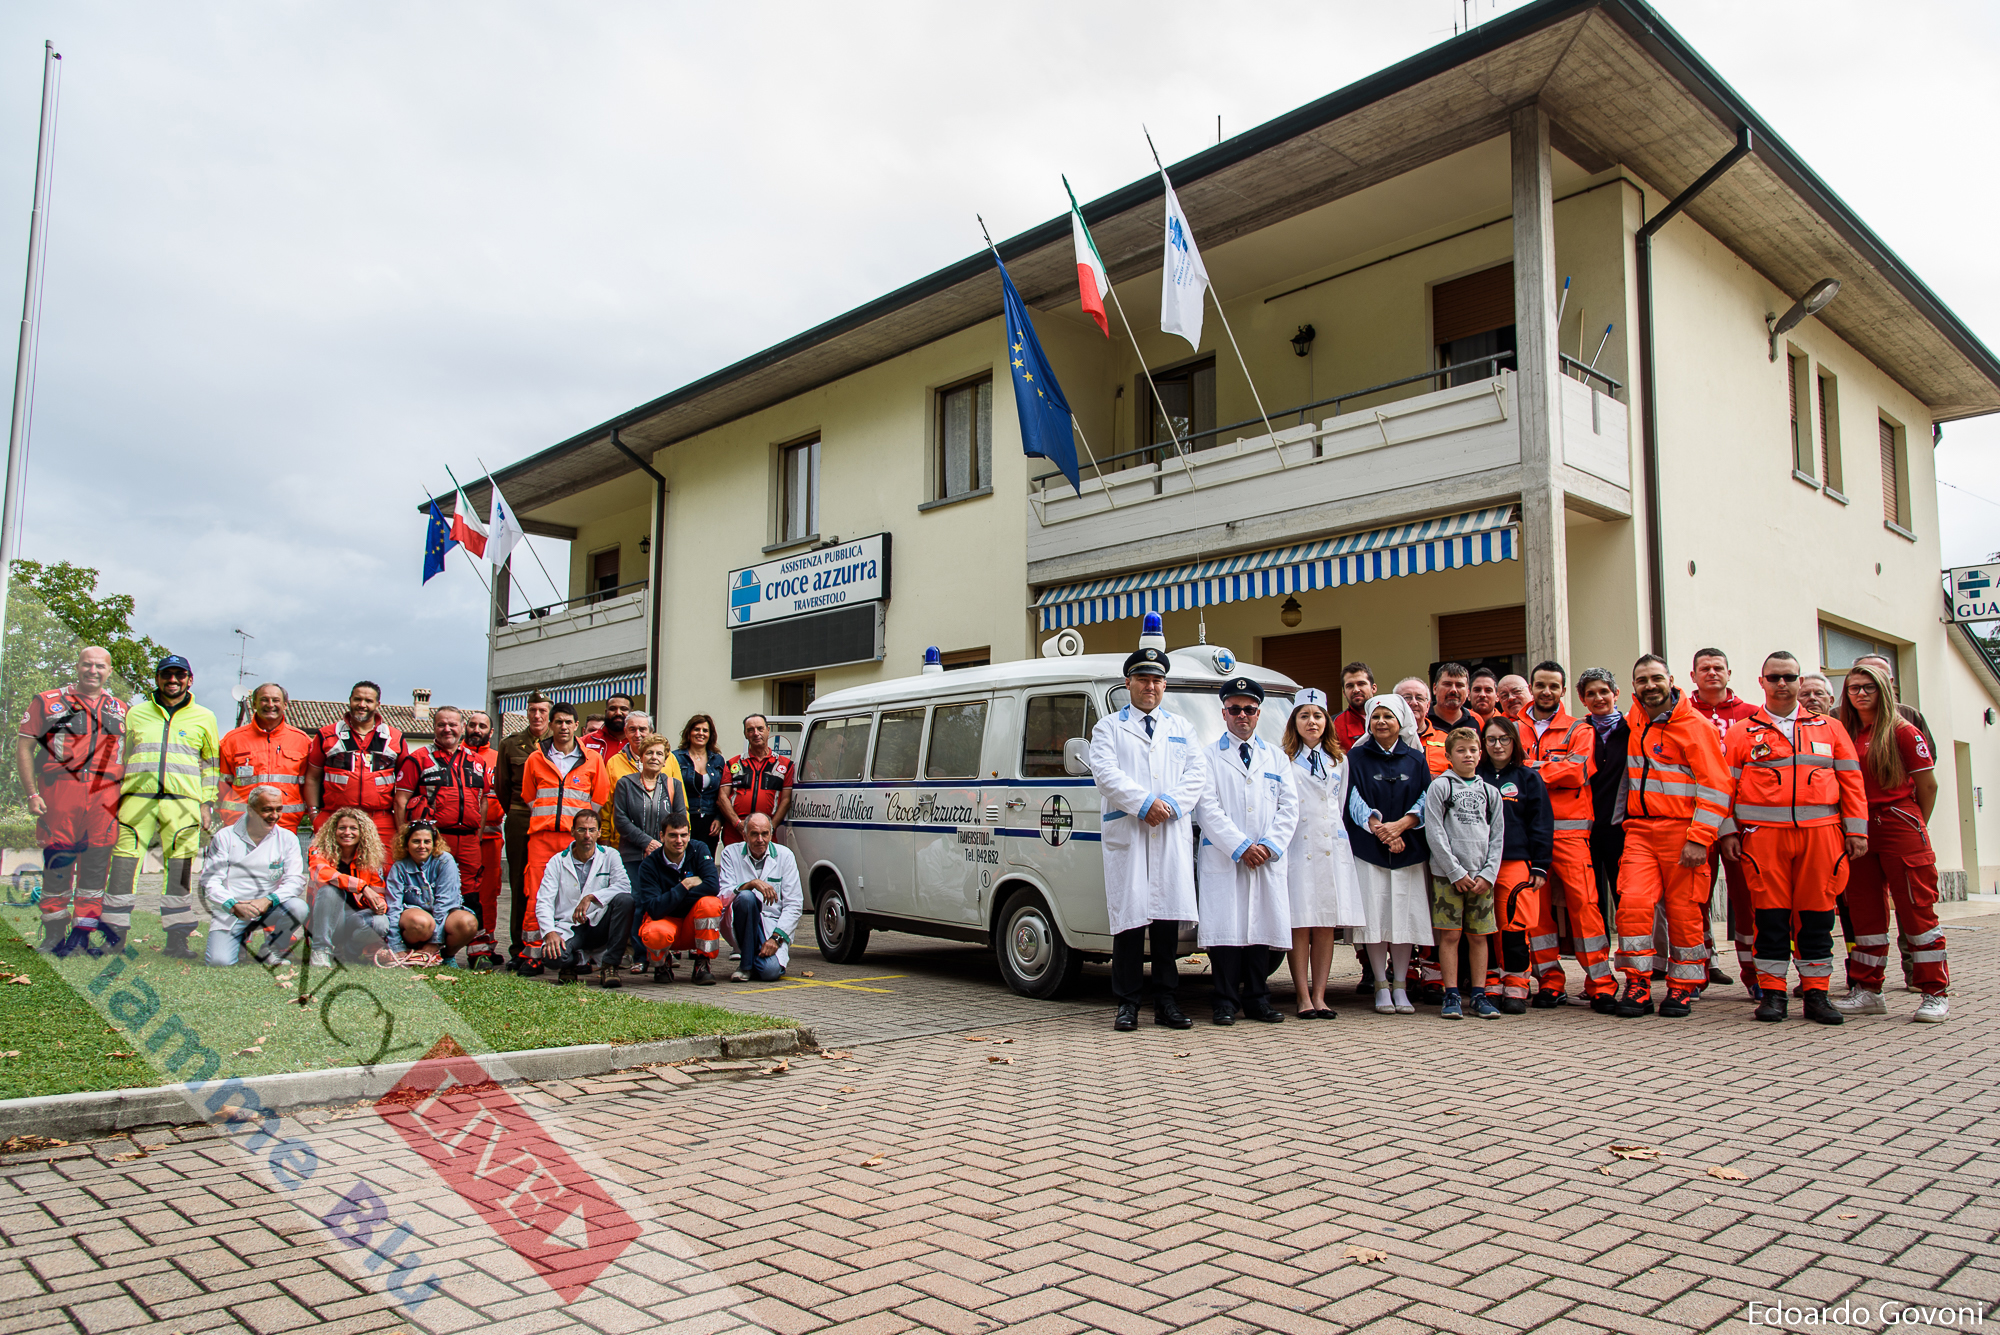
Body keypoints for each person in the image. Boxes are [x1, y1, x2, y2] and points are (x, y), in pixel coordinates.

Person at [1716, 652, 1867, 1025]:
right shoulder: (1740, 733)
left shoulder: (1830, 728)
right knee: (1770, 919)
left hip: (1822, 839)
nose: (1782, 683)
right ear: (1762, 681)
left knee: (1817, 919)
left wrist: (1857, 830)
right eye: (1774, 677)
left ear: (1800, 682)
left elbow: (1852, 782)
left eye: (1789, 677)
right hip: (1763, 840)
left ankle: (1817, 994)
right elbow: (1723, 789)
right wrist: (1727, 831)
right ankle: (1772, 994)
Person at [1088, 638, 1205, 1031]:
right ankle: (1127, 1003)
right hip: (1131, 833)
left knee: (1166, 923)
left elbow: (1196, 775)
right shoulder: (1108, 728)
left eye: (1157, 680)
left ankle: (1167, 1002)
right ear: (1128, 683)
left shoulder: (1181, 728)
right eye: (1142, 679)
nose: (1150, 686)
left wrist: (1167, 805)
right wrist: (1144, 805)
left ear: (1164, 685)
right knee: (1130, 923)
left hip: (1168, 831)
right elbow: (1106, 774)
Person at [1611, 654, 1732, 1018]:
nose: (1649, 685)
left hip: (1682, 833)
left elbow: (1717, 787)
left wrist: (1700, 837)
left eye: (1655, 678)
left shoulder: (1696, 726)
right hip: (1640, 831)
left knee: (1684, 913)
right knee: (1632, 905)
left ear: (1671, 680)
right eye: (1642, 680)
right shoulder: (1634, 721)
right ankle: (1638, 983)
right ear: (1633, 687)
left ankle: (1682, 987)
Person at [1834, 661, 1951, 1022]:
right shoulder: (1845, 731)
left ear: (1884, 689)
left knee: (1916, 910)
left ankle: (1934, 992)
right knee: (1866, 913)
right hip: (1859, 830)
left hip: (1900, 823)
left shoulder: (1903, 731)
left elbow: (1928, 786)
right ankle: (1868, 990)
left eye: (1868, 687)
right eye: (1854, 688)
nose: (1861, 693)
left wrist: (1916, 825)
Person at [1191, 678, 1297, 1026]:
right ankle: (1224, 1001)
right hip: (1226, 856)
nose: (1242, 715)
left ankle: (1257, 999)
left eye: (1249, 709)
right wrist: (1240, 847)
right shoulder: (1207, 757)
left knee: (1259, 930)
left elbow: (1289, 808)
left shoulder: (1277, 758)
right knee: (1226, 933)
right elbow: (1207, 808)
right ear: (1223, 713)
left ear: (1258, 714)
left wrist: (1267, 846)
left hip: (1265, 858)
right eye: (1234, 709)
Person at [106, 655, 222, 959]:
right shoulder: (136, 713)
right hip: (136, 801)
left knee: (180, 869)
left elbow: (211, 765)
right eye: (166, 675)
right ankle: (114, 937)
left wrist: (208, 803)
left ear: (189, 679)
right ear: (157, 679)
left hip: (183, 804)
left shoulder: (205, 716)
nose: (173, 680)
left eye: (179, 675)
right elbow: (123, 756)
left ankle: (177, 940)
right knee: (123, 864)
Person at [15, 647, 127, 954]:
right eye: (87, 664)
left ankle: (83, 934)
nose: (93, 670)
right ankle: (53, 932)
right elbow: (24, 748)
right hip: (60, 792)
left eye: (100, 666)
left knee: (95, 868)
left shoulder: (121, 708)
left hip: (105, 796)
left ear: (109, 670)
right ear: (77, 666)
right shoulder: (47, 701)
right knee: (58, 865)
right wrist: (31, 793)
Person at [1521, 661, 1615, 1009]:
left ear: (1563, 691)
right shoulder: (1515, 728)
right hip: (1528, 836)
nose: (1546, 692)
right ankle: (1549, 980)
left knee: (1585, 906)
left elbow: (1577, 772)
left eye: (1553, 686)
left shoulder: (1580, 728)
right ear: (1532, 688)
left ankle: (1601, 983)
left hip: (1571, 835)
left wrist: (1530, 769)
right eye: (1540, 685)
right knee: (1537, 912)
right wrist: (1549, 771)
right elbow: (1506, 769)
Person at [1343, 693, 1433, 1015]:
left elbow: (1426, 798)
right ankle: (1381, 984)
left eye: (1389, 717)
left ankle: (1401, 986)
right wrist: (1381, 829)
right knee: (1376, 919)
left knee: (1404, 920)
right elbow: (1350, 798)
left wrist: (1404, 825)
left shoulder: (1416, 759)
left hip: (1408, 850)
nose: (1382, 722)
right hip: (1370, 850)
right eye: (1376, 717)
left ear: (1401, 722)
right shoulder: (1355, 758)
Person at [396, 705, 498, 967]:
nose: (447, 729)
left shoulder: (476, 761)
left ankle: (479, 951)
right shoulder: (418, 759)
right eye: (442, 724)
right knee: (433, 894)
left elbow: (483, 801)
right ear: (434, 726)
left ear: (462, 726)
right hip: (434, 840)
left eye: (453, 724)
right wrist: (404, 837)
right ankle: (430, 950)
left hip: (468, 839)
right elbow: (401, 799)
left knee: (473, 894)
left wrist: (477, 835)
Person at [1283, 689, 1364, 1019]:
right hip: (1299, 846)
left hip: (1331, 847)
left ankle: (1321, 995)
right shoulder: (1284, 759)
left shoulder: (1339, 761)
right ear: (1295, 722)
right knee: (1301, 922)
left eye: (1317, 715)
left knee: (1326, 925)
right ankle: (1302, 996)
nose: (1311, 722)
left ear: (1326, 721)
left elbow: (1340, 803)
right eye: (1304, 715)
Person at [518, 702, 610, 972]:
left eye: (568, 722)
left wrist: (581, 828)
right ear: (550, 725)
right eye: (558, 722)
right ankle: (533, 954)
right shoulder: (536, 758)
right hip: (542, 837)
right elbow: (529, 797)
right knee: (535, 893)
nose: (563, 727)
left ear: (576, 726)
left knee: (575, 895)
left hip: (575, 840)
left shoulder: (592, 759)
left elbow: (599, 798)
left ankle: (574, 951)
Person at [1687, 647, 1759, 991]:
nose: (1712, 673)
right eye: (1705, 668)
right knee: (1694, 898)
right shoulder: (1680, 714)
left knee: (1748, 898)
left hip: (1741, 824)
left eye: (1718, 668)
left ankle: (1755, 973)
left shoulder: (1753, 715)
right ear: (1693, 676)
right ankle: (1700, 967)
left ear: (1729, 673)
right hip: (1694, 820)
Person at [1423, 727, 1503, 1019]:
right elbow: (1435, 832)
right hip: (1449, 877)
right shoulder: (1441, 787)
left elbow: (1497, 836)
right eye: (1460, 751)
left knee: (1479, 937)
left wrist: (1489, 874)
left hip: (1481, 877)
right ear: (1448, 756)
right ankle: (1451, 993)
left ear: (1480, 754)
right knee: (1450, 936)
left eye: (1472, 750)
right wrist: (1454, 871)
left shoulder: (1490, 792)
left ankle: (1480, 995)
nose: (1467, 755)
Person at [1476, 716, 1552, 1013]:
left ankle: (1517, 983)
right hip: (1480, 864)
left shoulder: (1528, 778)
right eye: (1491, 739)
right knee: (1485, 926)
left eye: (1504, 739)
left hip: (1515, 862)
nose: (1497, 745)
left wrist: (1540, 865)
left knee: (1514, 926)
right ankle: (1491, 983)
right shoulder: (1472, 776)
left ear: (1514, 742)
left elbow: (1541, 824)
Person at [198, 784, 308, 967]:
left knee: (298, 907)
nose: (274, 816)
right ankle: (239, 938)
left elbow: (295, 881)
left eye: (278, 809)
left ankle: (272, 948)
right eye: (267, 810)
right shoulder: (225, 837)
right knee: (219, 962)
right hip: (233, 909)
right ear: (250, 809)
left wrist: (268, 900)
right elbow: (210, 881)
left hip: (268, 907)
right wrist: (232, 905)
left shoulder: (288, 838)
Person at [531, 808, 634, 987]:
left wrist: (592, 897)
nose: (587, 835)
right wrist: (549, 932)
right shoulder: (557, 861)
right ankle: (572, 962)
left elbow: (624, 886)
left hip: (600, 924)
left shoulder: (610, 855)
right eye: (581, 829)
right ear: (572, 832)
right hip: (570, 927)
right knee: (551, 956)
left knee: (625, 900)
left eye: (592, 830)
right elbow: (544, 901)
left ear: (599, 832)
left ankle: (610, 966)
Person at [303, 681, 407, 853]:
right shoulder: (327, 735)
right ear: (349, 700)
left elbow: (406, 783)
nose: (362, 705)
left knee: (382, 871)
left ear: (377, 704)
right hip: (335, 817)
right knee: (331, 872)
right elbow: (312, 777)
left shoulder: (394, 737)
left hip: (380, 818)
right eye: (357, 699)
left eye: (368, 701)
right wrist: (314, 815)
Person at [633, 814, 725, 984]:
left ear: (689, 835)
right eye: (673, 835)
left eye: (683, 835)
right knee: (654, 932)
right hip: (665, 922)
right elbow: (653, 908)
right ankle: (661, 964)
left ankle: (702, 962)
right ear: (662, 836)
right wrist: (686, 885)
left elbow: (712, 886)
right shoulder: (649, 865)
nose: (679, 840)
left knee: (711, 903)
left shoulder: (699, 850)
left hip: (692, 924)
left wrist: (669, 899)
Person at [495, 693, 552, 966]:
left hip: (552, 823)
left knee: (550, 883)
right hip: (521, 818)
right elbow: (503, 787)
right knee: (519, 883)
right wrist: (517, 813)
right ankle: (519, 947)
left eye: (542, 710)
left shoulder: (561, 743)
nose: (537, 715)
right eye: (532, 710)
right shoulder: (511, 744)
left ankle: (551, 945)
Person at [716, 813, 803, 982]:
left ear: (772, 833)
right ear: (744, 835)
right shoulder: (730, 853)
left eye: (765, 834)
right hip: (740, 922)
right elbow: (723, 896)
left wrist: (776, 938)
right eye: (754, 834)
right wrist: (751, 884)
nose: (760, 839)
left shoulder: (785, 855)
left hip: (772, 925)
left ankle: (751, 959)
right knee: (746, 898)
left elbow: (794, 904)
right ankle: (746, 966)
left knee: (769, 972)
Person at [216, 682, 310, 838]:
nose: (270, 705)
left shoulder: (302, 741)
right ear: (254, 704)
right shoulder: (232, 740)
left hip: (284, 826)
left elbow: (308, 786)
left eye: (276, 700)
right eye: (264, 699)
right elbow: (222, 786)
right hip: (239, 825)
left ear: (285, 704)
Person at [1579, 668, 1629, 947]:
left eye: (1604, 692)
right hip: (1586, 829)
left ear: (1615, 693)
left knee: (1627, 899)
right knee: (1592, 901)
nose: (1598, 698)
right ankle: (1600, 975)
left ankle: (1634, 967)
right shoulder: (1579, 732)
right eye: (1591, 694)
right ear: (1582, 699)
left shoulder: (1633, 729)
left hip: (1621, 828)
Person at [385, 821, 479, 965]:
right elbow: (393, 908)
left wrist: (434, 943)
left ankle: (447, 956)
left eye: (427, 841)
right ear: (406, 844)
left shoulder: (445, 861)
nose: (422, 846)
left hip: (443, 915)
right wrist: (395, 945)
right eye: (416, 841)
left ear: (434, 844)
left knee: (468, 923)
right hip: (416, 918)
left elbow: (444, 904)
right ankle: (412, 953)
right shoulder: (399, 867)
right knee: (421, 923)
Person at [306, 807, 389, 966]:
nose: (347, 832)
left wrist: (380, 905)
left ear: (363, 832)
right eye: (342, 828)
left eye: (353, 828)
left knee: (381, 922)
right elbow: (321, 872)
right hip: (326, 920)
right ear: (333, 831)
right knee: (330, 890)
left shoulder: (370, 859)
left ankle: (348, 952)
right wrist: (362, 887)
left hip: (354, 920)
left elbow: (379, 894)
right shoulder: (317, 850)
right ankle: (320, 950)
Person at [601, 711, 685, 859]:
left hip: (665, 850)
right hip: (626, 848)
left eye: (642, 729)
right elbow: (609, 807)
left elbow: (681, 810)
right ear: (625, 732)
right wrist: (605, 839)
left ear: (651, 731)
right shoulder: (614, 763)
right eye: (632, 729)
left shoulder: (670, 758)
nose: (638, 734)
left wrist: (680, 840)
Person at [463, 709, 505, 964]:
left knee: (488, 895)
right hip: (460, 838)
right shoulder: (455, 758)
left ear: (490, 731)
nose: (476, 730)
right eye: (472, 725)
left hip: (490, 841)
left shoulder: (498, 759)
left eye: (482, 726)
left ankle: (484, 947)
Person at [718, 714, 794, 846]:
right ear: (745, 734)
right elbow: (722, 798)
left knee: (766, 866)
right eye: (750, 730)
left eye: (760, 728)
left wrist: (771, 827)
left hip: (765, 832)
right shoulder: (732, 764)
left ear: (768, 730)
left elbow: (786, 801)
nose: (756, 733)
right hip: (735, 832)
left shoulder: (785, 765)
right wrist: (737, 824)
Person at [676, 714, 726, 853]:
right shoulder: (676, 758)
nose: (701, 733)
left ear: (710, 735)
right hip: (684, 819)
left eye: (705, 730)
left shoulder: (717, 760)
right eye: (696, 729)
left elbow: (723, 793)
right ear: (689, 732)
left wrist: (719, 818)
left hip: (710, 822)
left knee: (705, 861)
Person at [1395, 677, 1451, 777]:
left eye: (1419, 698)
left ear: (1428, 706)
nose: (1414, 703)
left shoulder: (1447, 740)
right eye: (1407, 698)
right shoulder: (1387, 739)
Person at [1333, 662, 1375, 753]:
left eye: (1361, 684)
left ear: (1373, 688)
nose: (1356, 690)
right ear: (1344, 693)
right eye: (1350, 686)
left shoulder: (1391, 717)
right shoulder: (1334, 724)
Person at [580, 694, 633, 759]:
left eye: (624, 709)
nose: (618, 713)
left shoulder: (640, 741)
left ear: (631, 713)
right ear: (606, 712)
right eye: (612, 709)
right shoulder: (585, 741)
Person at [1429, 662, 1474, 735]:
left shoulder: (1476, 720)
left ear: (1468, 691)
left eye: (1459, 685)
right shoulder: (1423, 719)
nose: (1453, 690)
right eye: (1447, 684)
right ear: (1435, 688)